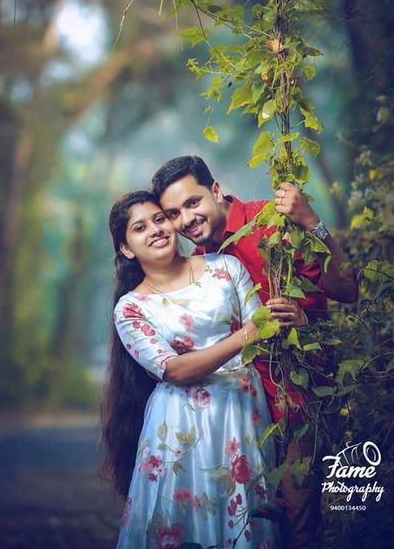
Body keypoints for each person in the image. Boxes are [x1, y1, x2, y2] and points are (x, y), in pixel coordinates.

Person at [151, 155, 358, 549]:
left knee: (300, 524)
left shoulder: (271, 221)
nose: (186, 219)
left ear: (215, 190)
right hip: (238, 419)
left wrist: (313, 222)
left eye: (193, 203)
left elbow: (348, 289)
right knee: (249, 528)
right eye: (174, 213)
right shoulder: (197, 264)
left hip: (297, 401)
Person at [102, 190, 281, 549]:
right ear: (126, 248)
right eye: (140, 228)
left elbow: (267, 330)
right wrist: (243, 336)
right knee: (182, 525)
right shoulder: (131, 308)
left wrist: (256, 331)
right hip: (178, 426)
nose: (155, 229)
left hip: (241, 412)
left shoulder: (225, 267)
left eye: (159, 219)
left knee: (247, 515)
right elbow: (175, 370)